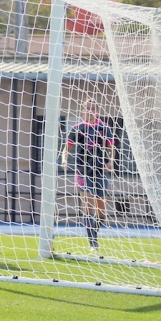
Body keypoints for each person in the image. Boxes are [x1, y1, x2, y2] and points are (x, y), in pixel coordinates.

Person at [60, 98, 115, 252]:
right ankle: (93, 243)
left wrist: (110, 161)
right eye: (87, 108)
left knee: (101, 209)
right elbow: (66, 148)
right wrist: (64, 160)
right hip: (83, 170)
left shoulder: (104, 128)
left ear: (97, 111)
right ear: (83, 111)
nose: (90, 111)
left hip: (100, 170)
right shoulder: (78, 128)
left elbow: (112, 148)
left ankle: (94, 233)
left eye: (93, 108)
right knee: (88, 205)